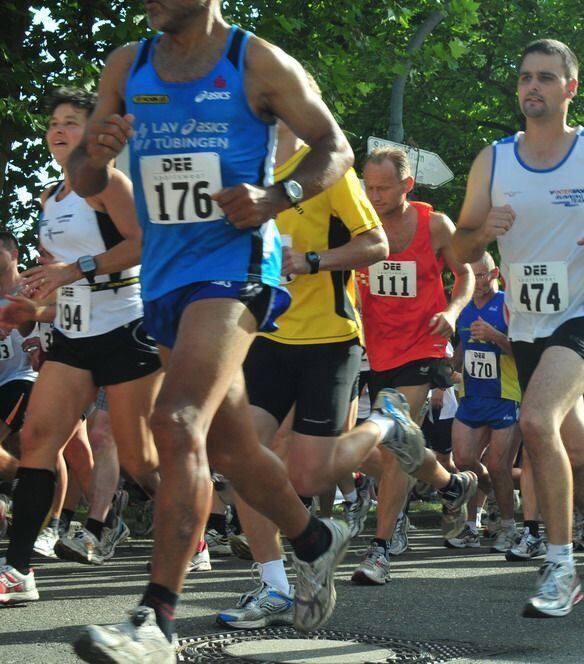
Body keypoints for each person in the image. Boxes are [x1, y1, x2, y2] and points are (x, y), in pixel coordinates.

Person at [62, 2, 370, 658]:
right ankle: (316, 539)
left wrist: (276, 197)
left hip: (236, 267)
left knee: (176, 423)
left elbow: (335, 146)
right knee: (228, 450)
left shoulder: (253, 61)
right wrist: (99, 154)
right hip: (167, 278)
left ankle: (155, 622)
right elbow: (84, 179)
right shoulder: (128, 64)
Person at [453, 39, 584, 619]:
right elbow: (459, 245)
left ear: (570, 88)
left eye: (545, 77)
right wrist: (480, 232)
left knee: (535, 419)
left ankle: (560, 565)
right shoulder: (493, 160)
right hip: (527, 323)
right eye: (524, 78)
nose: (531, 87)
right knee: (574, 444)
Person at [216, 110, 438, 629]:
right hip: (265, 335)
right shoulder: (242, 172)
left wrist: (311, 260)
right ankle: (273, 585)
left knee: (311, 474)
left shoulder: (329, 172)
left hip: (330, 339)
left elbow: (376, 245)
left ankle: (387, 424)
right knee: (243, 456)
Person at [0, 87, 162, 606]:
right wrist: (36, 300)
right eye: (53, 122)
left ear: (95, 133)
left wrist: (76, 269)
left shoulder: (109, 183)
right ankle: (18, 570)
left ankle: (203, 525)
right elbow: (60, 276)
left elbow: (142, 243)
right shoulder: (50, 197)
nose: (58, 130)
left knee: (140, 459)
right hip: (72, 332)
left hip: (127, 325)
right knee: (38, 441)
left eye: (71, 121)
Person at [353, 147, 478, 586]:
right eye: (368, 186)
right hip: (370, 346)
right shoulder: (357, 220)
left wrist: (454, 313)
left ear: (407, 186)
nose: (374, 194)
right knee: (347, 446)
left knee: (391, 441)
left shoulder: (435, 225)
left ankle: (381, 549)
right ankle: (450, 485)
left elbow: (466, 276)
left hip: (422, 345)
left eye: (383, 187)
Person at [449, 253, 522, 552]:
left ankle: (507, 526)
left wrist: (495, 336)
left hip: (504, 395)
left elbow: (523, 350)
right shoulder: (463, 304)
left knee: (499, 464)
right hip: (471, 395)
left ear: (494, 274)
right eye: (470, 276)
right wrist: (446, 366)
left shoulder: (508, 304)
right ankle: (478, 516)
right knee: (463, 461)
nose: (476, 282)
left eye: (481, 276)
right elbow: (462, 346)